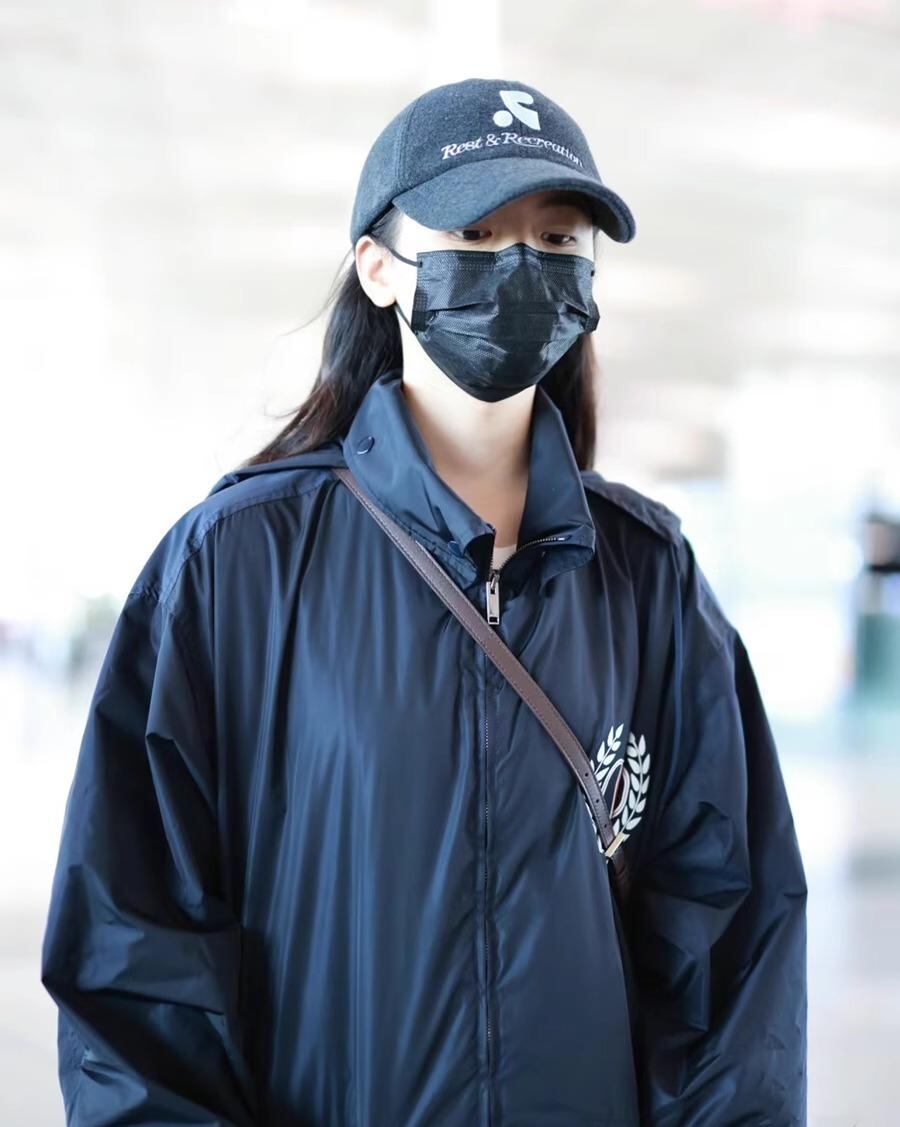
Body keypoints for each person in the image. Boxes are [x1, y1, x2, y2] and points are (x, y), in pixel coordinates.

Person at [40, 76, 808, 1125]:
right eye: (475, 232)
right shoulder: (236, 564)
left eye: (557, 237)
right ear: (377, 266)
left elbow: (731, 944)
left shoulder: (647, 574)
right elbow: (135, 951)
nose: (520, 265)